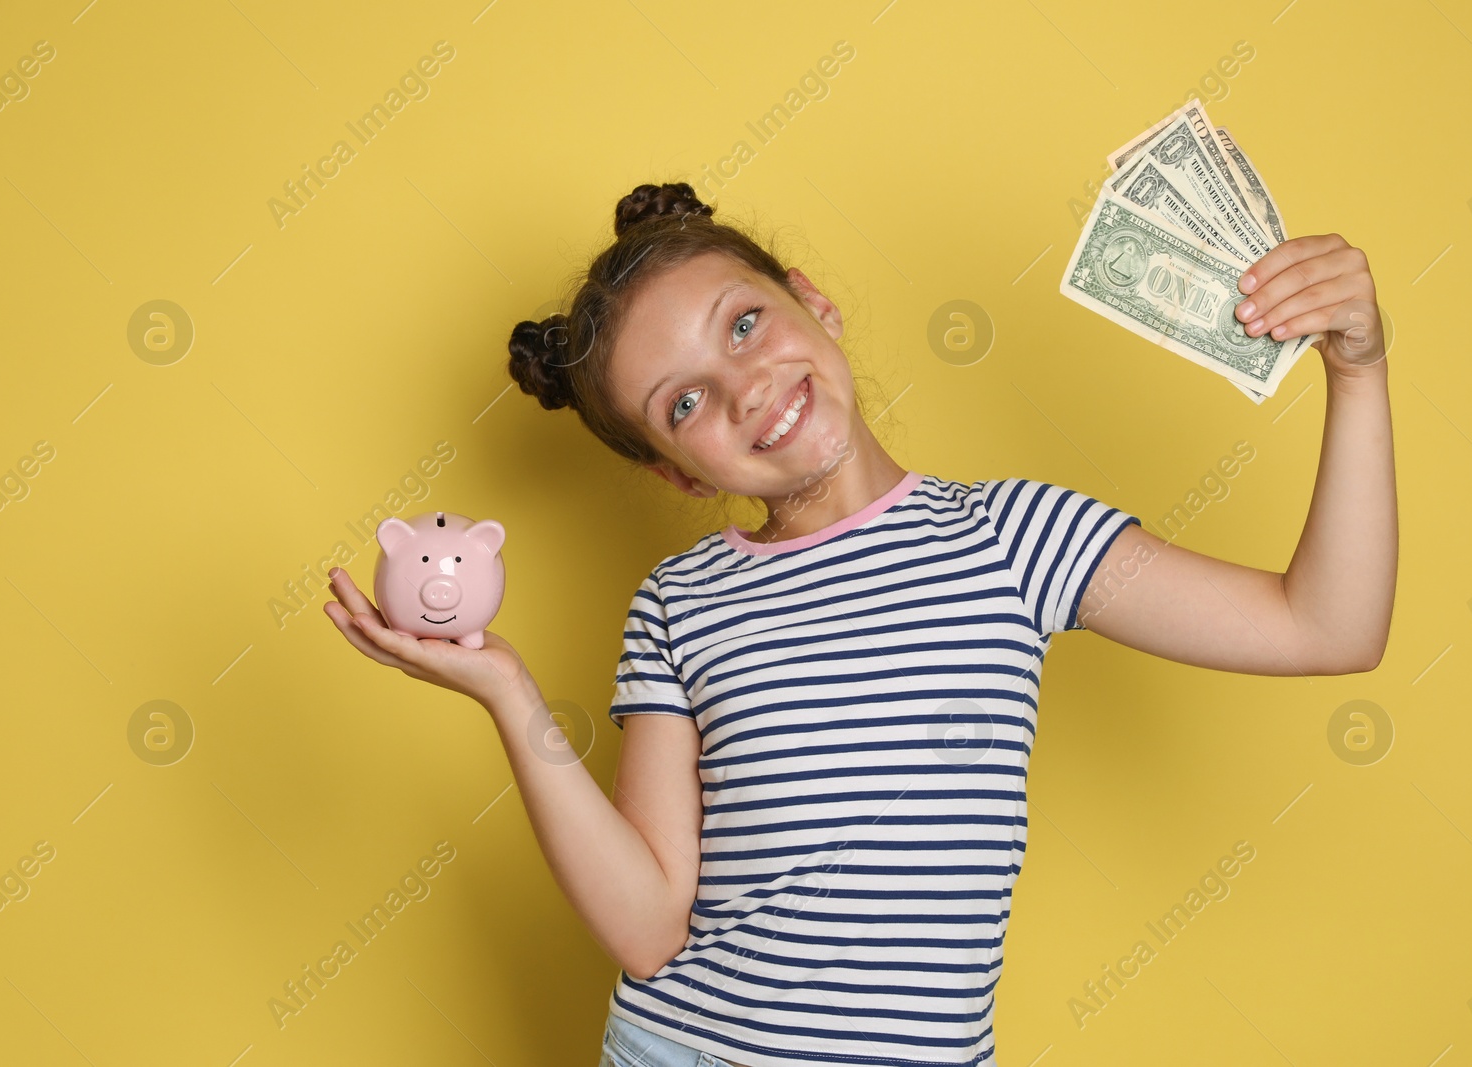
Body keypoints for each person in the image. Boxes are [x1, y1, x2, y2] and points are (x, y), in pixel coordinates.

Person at [324, 181, 1396, 1067]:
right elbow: (649, 929)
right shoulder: (680, 602)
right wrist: (510, 692)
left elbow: (1325, 627)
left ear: (811, 301)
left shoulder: (1014, 537)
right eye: (683, 403)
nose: (743, 386)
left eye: (744, 323)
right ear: (673, 472)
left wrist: (1356, 372)